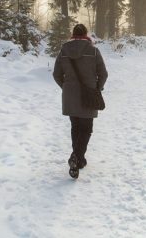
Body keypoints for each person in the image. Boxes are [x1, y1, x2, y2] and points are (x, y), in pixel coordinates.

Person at [52, 23, 108, 179]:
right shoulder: (94, 51)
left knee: (75, 127)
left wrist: (66, 88)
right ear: (86, 34)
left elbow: (56, 74)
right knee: (86, 128)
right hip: (88, 95)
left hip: (70, 96)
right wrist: (97, 88)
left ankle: (79, 159)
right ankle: (76, 157)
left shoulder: (64, 51)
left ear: (73, 34)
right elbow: (103, 74)